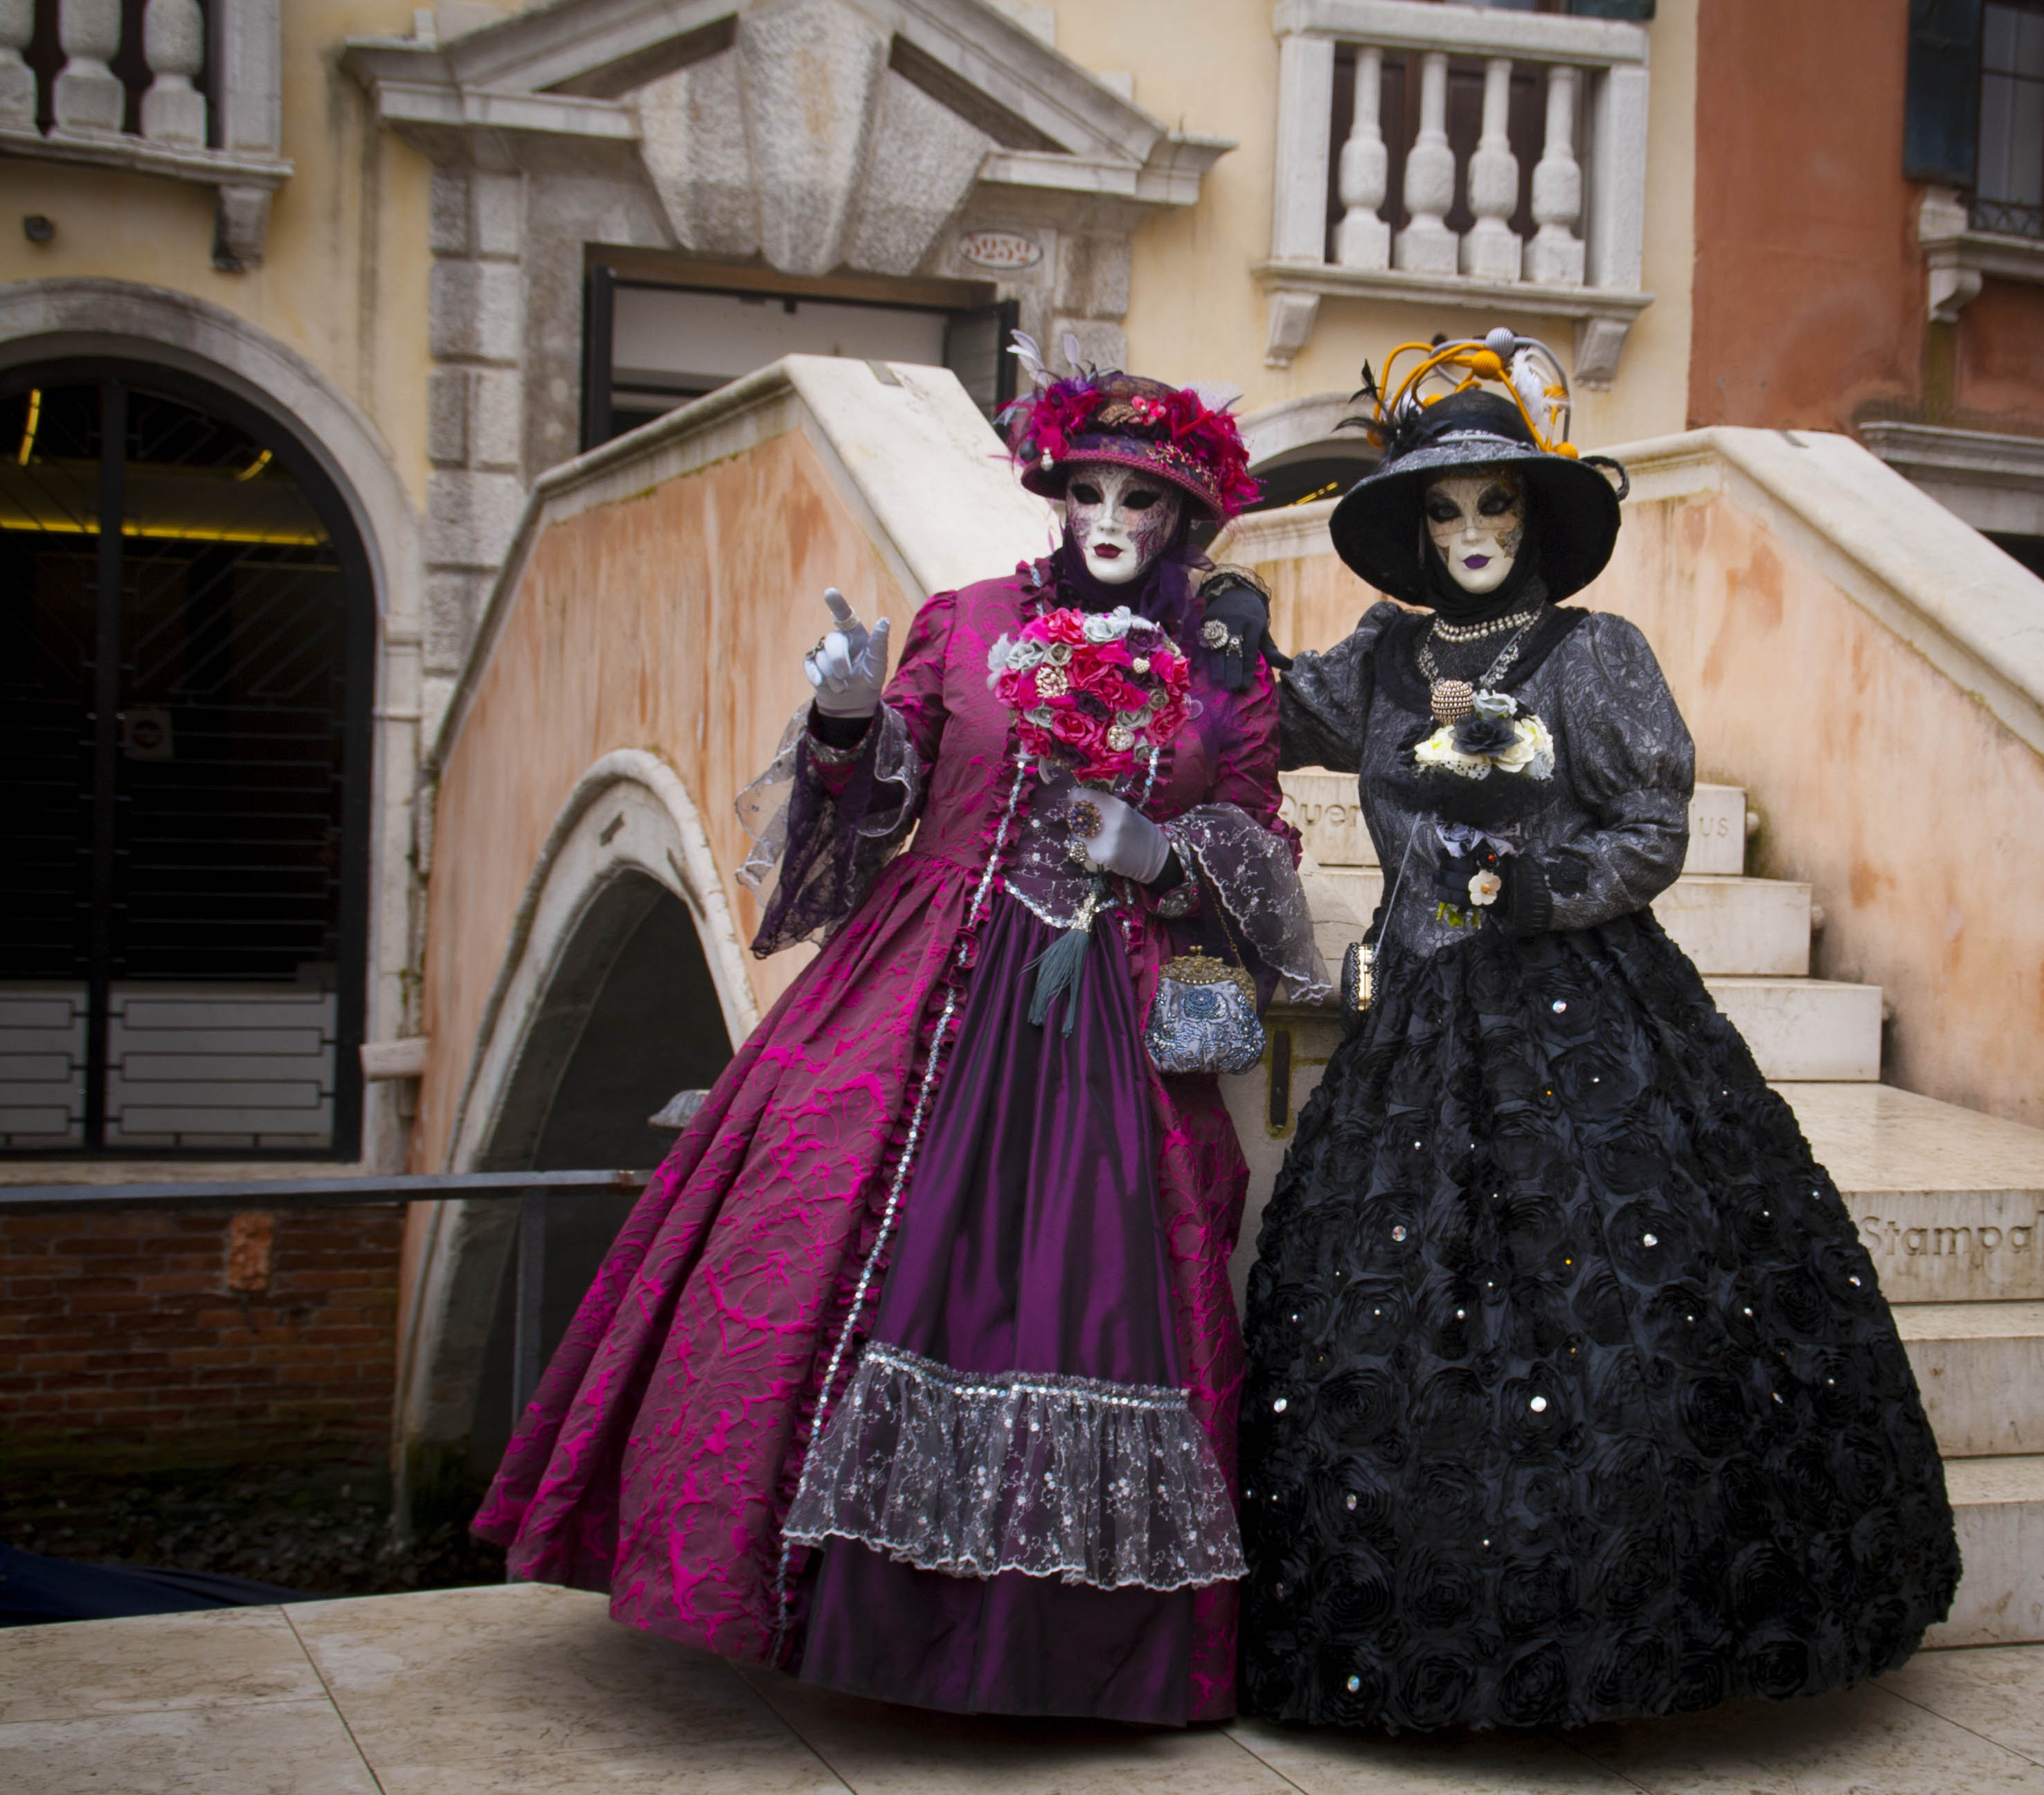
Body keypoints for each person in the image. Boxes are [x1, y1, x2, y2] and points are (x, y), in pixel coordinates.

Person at [474, 348, 1323, 1726]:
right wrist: (847, 721)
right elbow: (874, 815)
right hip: (918, 992)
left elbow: (1264, 853)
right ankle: (836, 1614)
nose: (1111, 519)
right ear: (1055, 493)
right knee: (843, 1251)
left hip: (1107, 1017)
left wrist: (1163, 852)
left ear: (1183, 525)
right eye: (1090, 491)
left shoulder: (1219, 675)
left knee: (1089, 1299)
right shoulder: (966, 619)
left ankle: (1052, 1648)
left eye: (1144, 504)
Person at [1237, 334, 1961, 1731]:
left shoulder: (1595, 655)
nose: (1470, 533)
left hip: (1587, 1014)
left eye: (1495, 504)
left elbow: (1651, 825)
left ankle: (1643, 1623)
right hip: (1420, 1021)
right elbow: (1265, 719)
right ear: (1412, 526)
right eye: (1444, 511)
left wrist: (1538, 887)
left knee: (1630, 1289)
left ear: (1534, 516)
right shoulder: (1382, 660)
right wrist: (1198, 624)